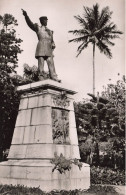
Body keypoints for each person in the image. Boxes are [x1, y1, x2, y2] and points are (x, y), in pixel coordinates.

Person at [21, 9, 60, 82]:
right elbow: (30, 24)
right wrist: (26, 16)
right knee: (41, 63)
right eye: (45, 20)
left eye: (47, 20)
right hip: (41, 47)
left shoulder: (50, 31)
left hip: (48, 49)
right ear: (42, 21)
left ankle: (53, 76)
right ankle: (41, 76)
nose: (46, 21)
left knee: (51, 63)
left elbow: (52, 41)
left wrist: (53, 44)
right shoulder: (37, 27)